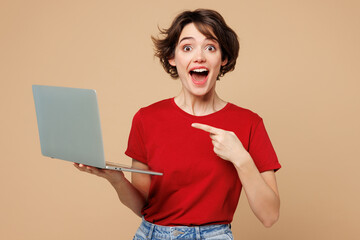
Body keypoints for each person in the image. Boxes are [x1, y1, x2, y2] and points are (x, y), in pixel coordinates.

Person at [74, 8, 281, 240]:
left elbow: (269, 216)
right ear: (172, 58)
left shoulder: (249, 123)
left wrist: (241, 157)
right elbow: (142, 206)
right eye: (187, 47)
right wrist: (116, 179)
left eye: (210, 47)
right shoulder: (146, 118)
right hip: (150, 234)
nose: (199, 56)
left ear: (223, 58)